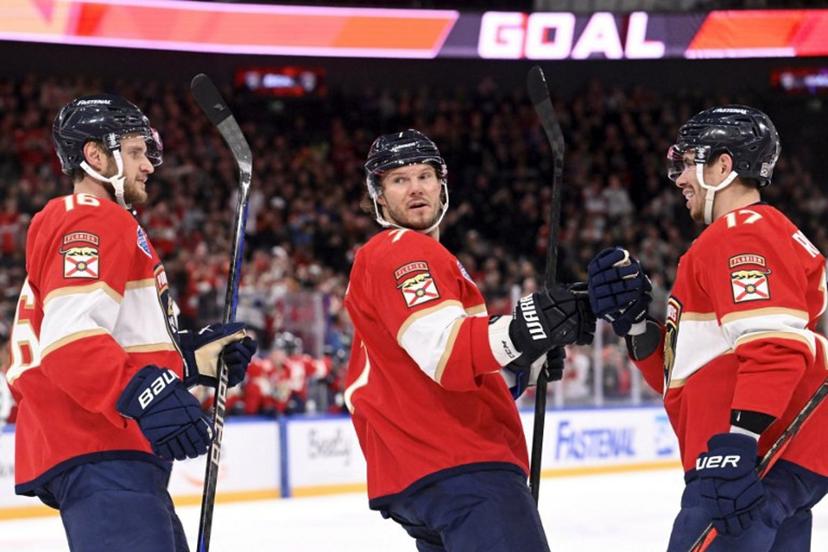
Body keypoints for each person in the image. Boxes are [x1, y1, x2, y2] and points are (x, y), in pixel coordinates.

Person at [5, 94, 257, 551]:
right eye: (137, 151)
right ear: (96, 156)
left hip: (111, 447)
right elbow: (69, 342)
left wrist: (194, 357)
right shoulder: (91, 217)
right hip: (98, 443)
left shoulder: (101, 222)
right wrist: (146, 393)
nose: (149, 166)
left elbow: (117, 340)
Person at [587, 105, 827, 551]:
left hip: (749, 463)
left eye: (687, 161)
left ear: (723, 166)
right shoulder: (751, 234)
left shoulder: (742, 232)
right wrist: (637, 326)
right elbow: (692, 372)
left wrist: (741, 440)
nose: (678, 177)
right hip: (776, 462)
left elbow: (774, 343)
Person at [343, 129, 595, 551]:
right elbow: (447, 351)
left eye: (425, 175)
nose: (416, 188)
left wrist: (521, 366)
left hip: (426, 476)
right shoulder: (402, 250)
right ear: (379, 197)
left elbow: (428, 372)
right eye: (398, 180)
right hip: (463, 466)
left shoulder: (407, 259)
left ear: (442, 185)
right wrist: (524, 329)